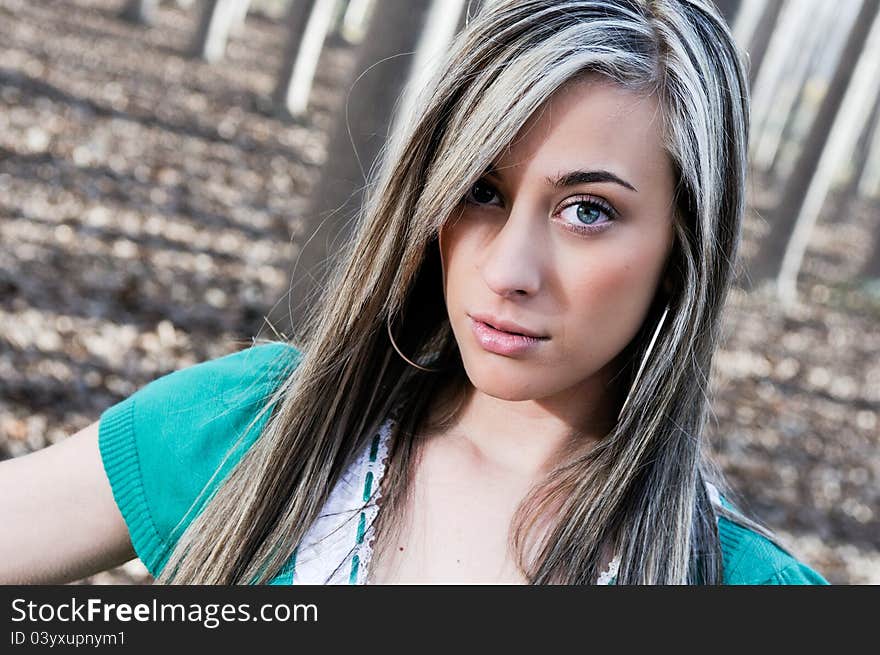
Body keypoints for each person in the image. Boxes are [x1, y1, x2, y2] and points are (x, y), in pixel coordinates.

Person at [0, 0, 829, 585]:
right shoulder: (258, 431)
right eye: (481, 190)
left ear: (681, 250)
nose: (509, 269)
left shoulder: (747, 586)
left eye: (588, 210)